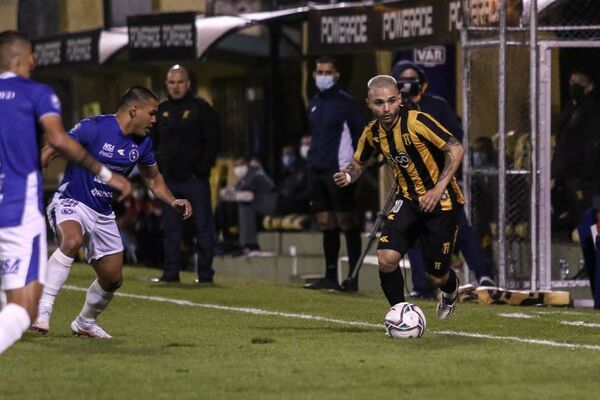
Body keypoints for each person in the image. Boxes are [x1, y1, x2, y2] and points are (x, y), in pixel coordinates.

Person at [0, 30, 131, 353]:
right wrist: (104, 173)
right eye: (32, 56)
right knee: (21, 309)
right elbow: (58, 140)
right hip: (17, 204)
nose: (35, 61)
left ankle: (75, 319)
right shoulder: (38, 93)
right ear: (24, 58)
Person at [31, 86, 192, 338]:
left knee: (113, 278)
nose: (154, 120)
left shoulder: (144, 143)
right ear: (134, 110)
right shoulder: (93, 127)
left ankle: (85, 323)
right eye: (151, 113)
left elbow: (153, 178)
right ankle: (43, 308)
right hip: (71, 200)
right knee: (71, 240)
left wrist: (173, 201)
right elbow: (51, 151)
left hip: (103, 213)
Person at [334, 75, 464, 320]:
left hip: (442, 202)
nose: (386, 108)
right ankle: (401, 315)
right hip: (406, 201)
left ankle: (450, 290)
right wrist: (349, 176)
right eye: (379, 103)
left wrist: (437, 189)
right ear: (369, 104)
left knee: (436, 275)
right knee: (386, 259)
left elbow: (456, 148)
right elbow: (358, 162)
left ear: (400, 99)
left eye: (392, 101)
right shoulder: (372, 132)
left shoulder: (417, 122)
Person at [392, 60, 495, 297]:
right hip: (412, 182)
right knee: (414, 232)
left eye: (412, 78)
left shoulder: (436, 106)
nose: (409, 84)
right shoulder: (396, 112)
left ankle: (484, 275)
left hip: (442, 180)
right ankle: (421, 286)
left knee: (461, 228)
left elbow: (456, 138)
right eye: (403, 79)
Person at [150, 65, 219, 284]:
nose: (176, 86)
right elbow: (152, 142)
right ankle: (171, 274)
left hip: (194, 179)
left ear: (188, 84)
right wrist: (156, 170)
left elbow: (213, 140)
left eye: (180, 82)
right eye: (172, 82)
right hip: (168, 181)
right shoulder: (160, 110)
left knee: (203, 227)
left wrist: (202, 169)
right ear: (166, 85)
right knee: (170, 229)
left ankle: (206, 274)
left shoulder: (201, 108)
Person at [304, 56, 366, 292]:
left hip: (339, 170)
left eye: (328, 72)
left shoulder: (347, 103)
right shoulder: (314, 103)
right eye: (319, 71)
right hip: (316, 169)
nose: (323, 76)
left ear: (337, 75)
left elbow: (362, 136)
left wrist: (355, 167)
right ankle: (330, 276)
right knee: (325, 222)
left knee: (346, 221)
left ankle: (352, 278)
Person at [552, 70, 600, 238]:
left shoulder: (591, 111)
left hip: (585, 174)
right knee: (577, 211)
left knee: (588, 210)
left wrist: (587, 169)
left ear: (589, 87)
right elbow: (562, 141)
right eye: (572, 81)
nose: (574, 86)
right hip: (569, 172)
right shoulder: (569, 109)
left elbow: (591, 143)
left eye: (580, 82)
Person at [219, 156, 277, 256]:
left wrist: (230, 195)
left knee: (245, 205)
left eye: (241, 165)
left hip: (273, 205)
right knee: (225, 206)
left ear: (247, 164)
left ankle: (250, 245)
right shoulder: (244, 178)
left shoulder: (255, 173)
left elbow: (247, 196)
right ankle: (230, 239)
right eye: (236, 166)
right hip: (260, 206)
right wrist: (229, 193)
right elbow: (229, 191)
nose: (238, 168)